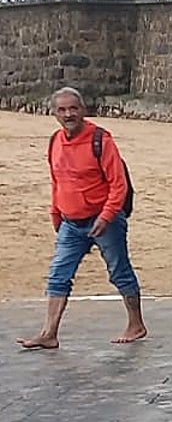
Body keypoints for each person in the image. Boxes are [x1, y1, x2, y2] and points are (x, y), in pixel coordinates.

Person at [17, 87, 147, 350]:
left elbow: (118, 185)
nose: (68, 114)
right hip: (70, 222)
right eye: (62, 110)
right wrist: (56, 214)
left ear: (83, 109)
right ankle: (49, 333)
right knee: (58, 276)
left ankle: (136, 324)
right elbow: (57, 181)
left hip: (105, 220)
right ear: (54, 113)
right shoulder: (55, 141)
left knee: (119, 271)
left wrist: (108, 215)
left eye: (73, 108)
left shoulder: (101, 140)